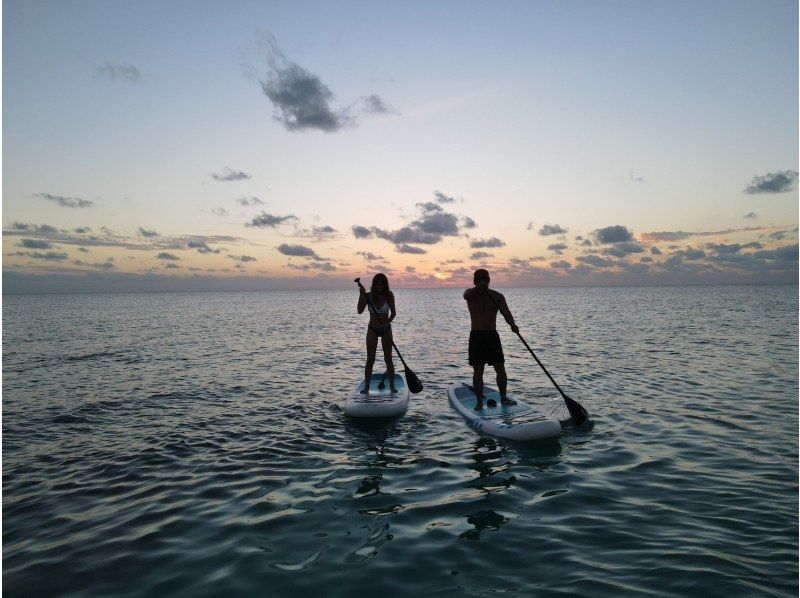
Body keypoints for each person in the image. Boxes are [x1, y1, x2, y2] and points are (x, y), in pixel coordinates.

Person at [463, 269, 519, 410]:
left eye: (484, 279)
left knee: (500, 368)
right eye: (479, 279)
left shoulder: (497, 296)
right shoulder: (470, 294)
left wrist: (512, 324)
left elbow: (506, 313)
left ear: (489, 280)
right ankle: (479, 402)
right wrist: (479, 288)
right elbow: (467, 295)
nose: (482, 281)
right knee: (478, 370)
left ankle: (504, 398)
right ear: (475, 281)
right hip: (477, 336)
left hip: (492, 336)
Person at [357, 273, 397, 394]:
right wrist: (361, 295)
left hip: (386, 329)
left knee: (388, 359)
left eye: (382, 283)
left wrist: (387, 323)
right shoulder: (368, 296)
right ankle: (366, 387)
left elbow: (394, 313)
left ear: (385, 284)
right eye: (377, 283)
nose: (380, 285)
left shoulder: (389, 295)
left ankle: (392, 386)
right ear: (374, 284)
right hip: (372, 329)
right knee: (370, 359)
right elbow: (359, 311)